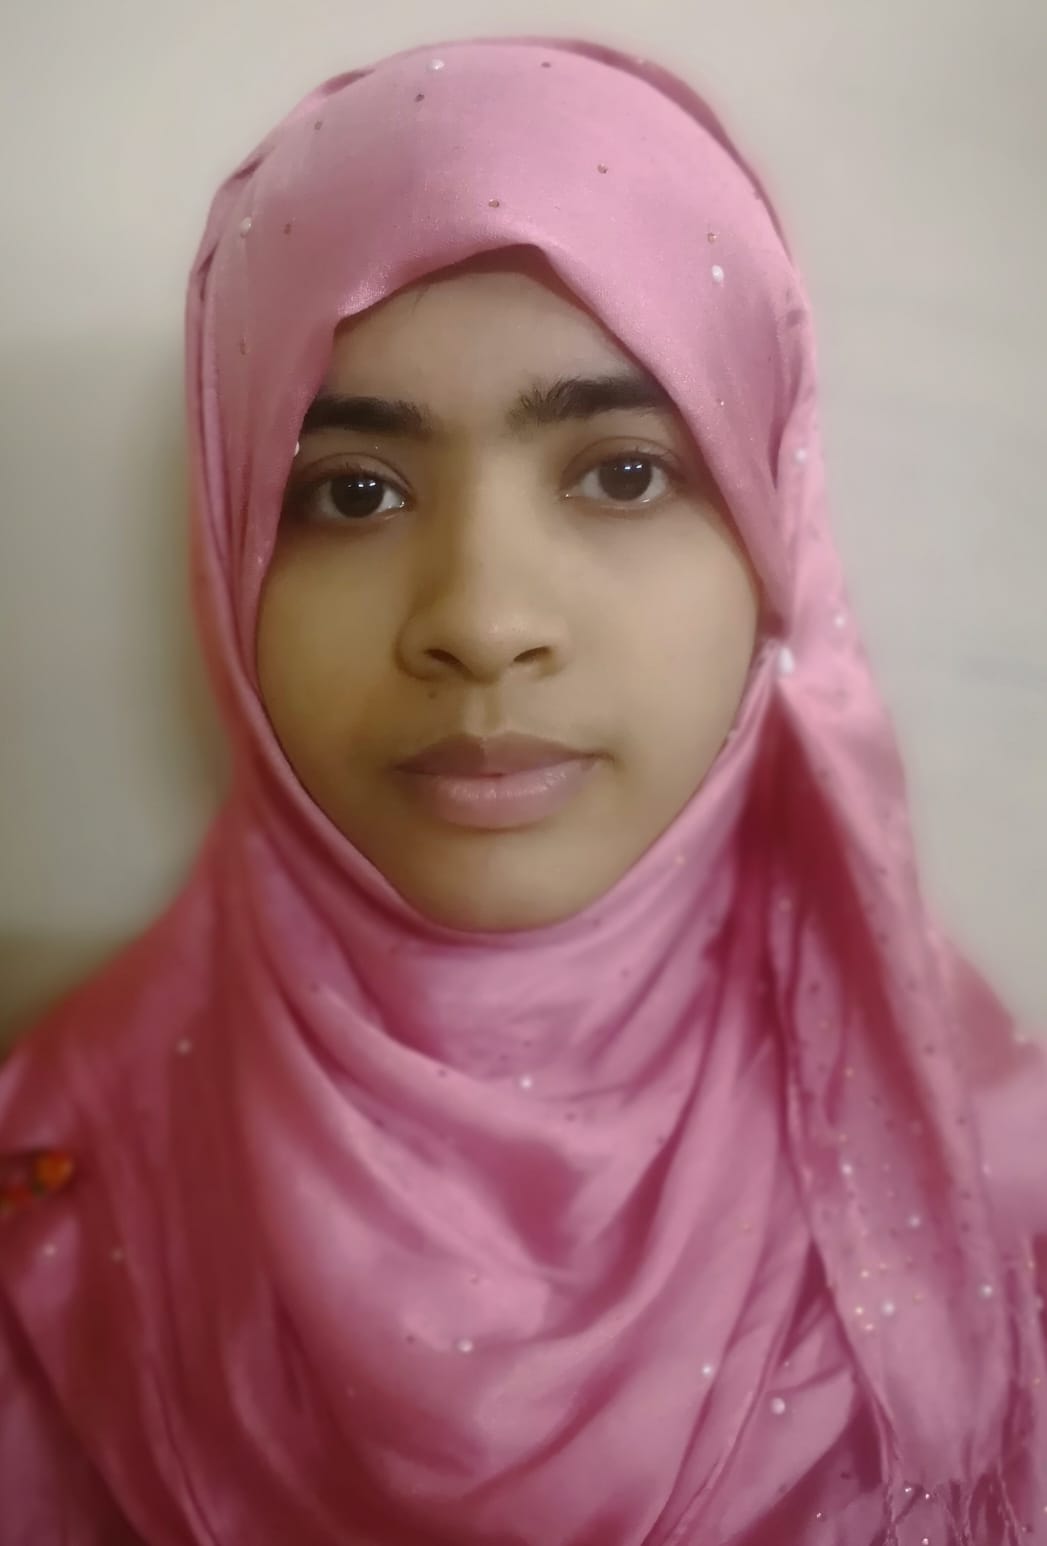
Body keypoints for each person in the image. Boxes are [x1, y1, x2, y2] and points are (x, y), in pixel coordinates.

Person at [0, 34, 1044, 1546]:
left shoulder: (1000, 1218)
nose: (483, 620)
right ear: (231, 558)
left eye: (622, 472)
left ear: (774, 533)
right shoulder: (47, 1209)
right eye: (354, 492)